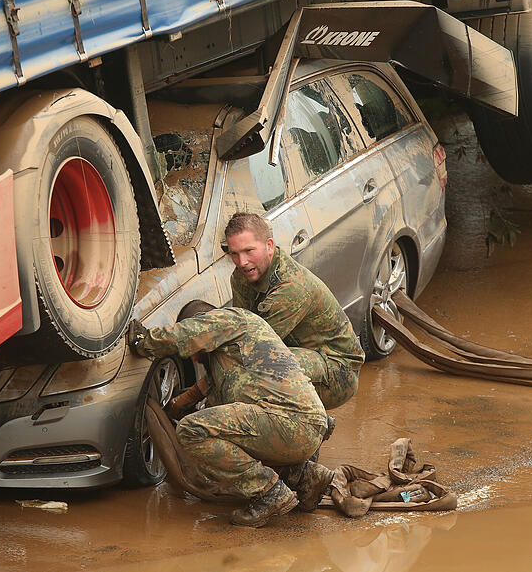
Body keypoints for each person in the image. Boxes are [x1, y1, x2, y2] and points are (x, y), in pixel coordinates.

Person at [128, 300, 335, 528]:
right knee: (226, 436)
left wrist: (144, 341)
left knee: (192, 430)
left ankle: (268, 492)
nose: (194, 359)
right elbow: (212, 400)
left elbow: (185, 334)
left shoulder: (230, 318)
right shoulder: (234, 355)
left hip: (290, 423)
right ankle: (307, 478)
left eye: (195, 352)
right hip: (303, 427)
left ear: (205, 321)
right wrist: (178, 405)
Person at [225, 212, 365, 410]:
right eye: (234, 254)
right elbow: (239, 327)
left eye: (249, 251)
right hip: (299, 352)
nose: (242, 262)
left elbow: (250, 348)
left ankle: (306, 421)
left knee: (249, 373)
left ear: (269, 246)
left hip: (337, 371)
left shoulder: (291, 287)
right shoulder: (241, 276)